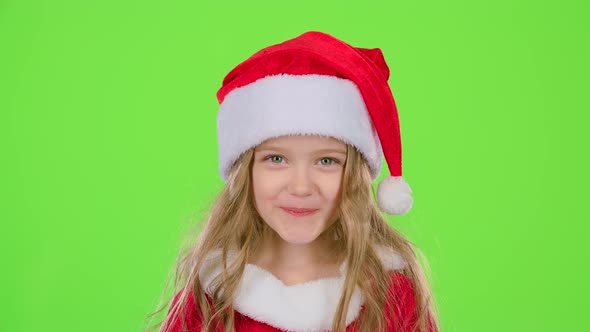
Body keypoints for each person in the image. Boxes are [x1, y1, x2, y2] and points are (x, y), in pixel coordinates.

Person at [145, 31, 440, 332]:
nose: (300, 187)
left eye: (327, 161)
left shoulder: (391, 295)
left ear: (356, 174)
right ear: (245, 172)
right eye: (276, 159)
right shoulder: (211, 298)